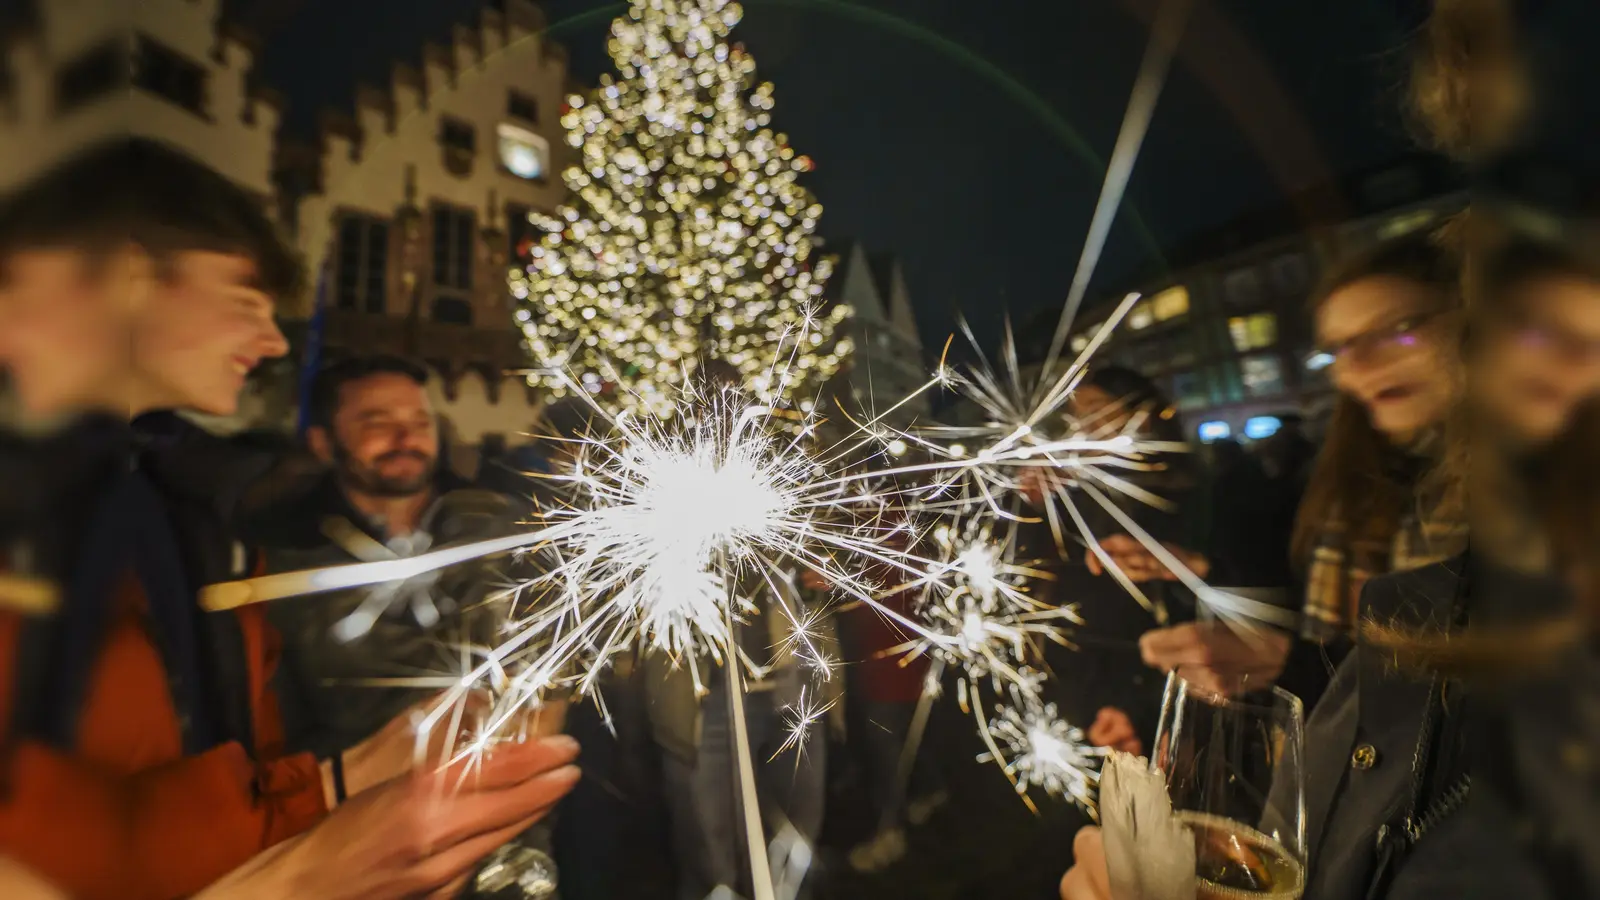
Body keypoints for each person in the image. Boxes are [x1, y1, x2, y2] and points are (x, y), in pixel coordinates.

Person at [0, 139, 578, 898]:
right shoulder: (260, 542)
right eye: (245, 298)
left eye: (418, 420)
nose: (273, 340)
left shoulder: (190, 512)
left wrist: (343, 781)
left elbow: (184, 798)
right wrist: (308, 866)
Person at [247, 355, 569, 897]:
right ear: (323, 442)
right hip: (352, 850)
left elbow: (550, 675)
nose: (406, 437)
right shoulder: (287, 561)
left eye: (419, 422)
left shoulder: (498, 527)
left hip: (502, 844)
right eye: (377, 422)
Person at [1138, 231, 1467, 708]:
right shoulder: (1348, 480)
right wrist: (1202, 569)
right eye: (1340, 348)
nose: (1360, 364)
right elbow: (1308, 620)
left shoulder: (1536, 495)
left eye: (1399, 327)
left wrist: (1289, 664)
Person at [643, 357, 832, 900]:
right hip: (706, 700)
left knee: (796, 829)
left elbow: (816, 565)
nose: (725, 412)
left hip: (788, 685)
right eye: (712, 400)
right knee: (709, 847)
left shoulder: (777, 479)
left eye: (734, 399)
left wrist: (817, 575)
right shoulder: (663, 486)